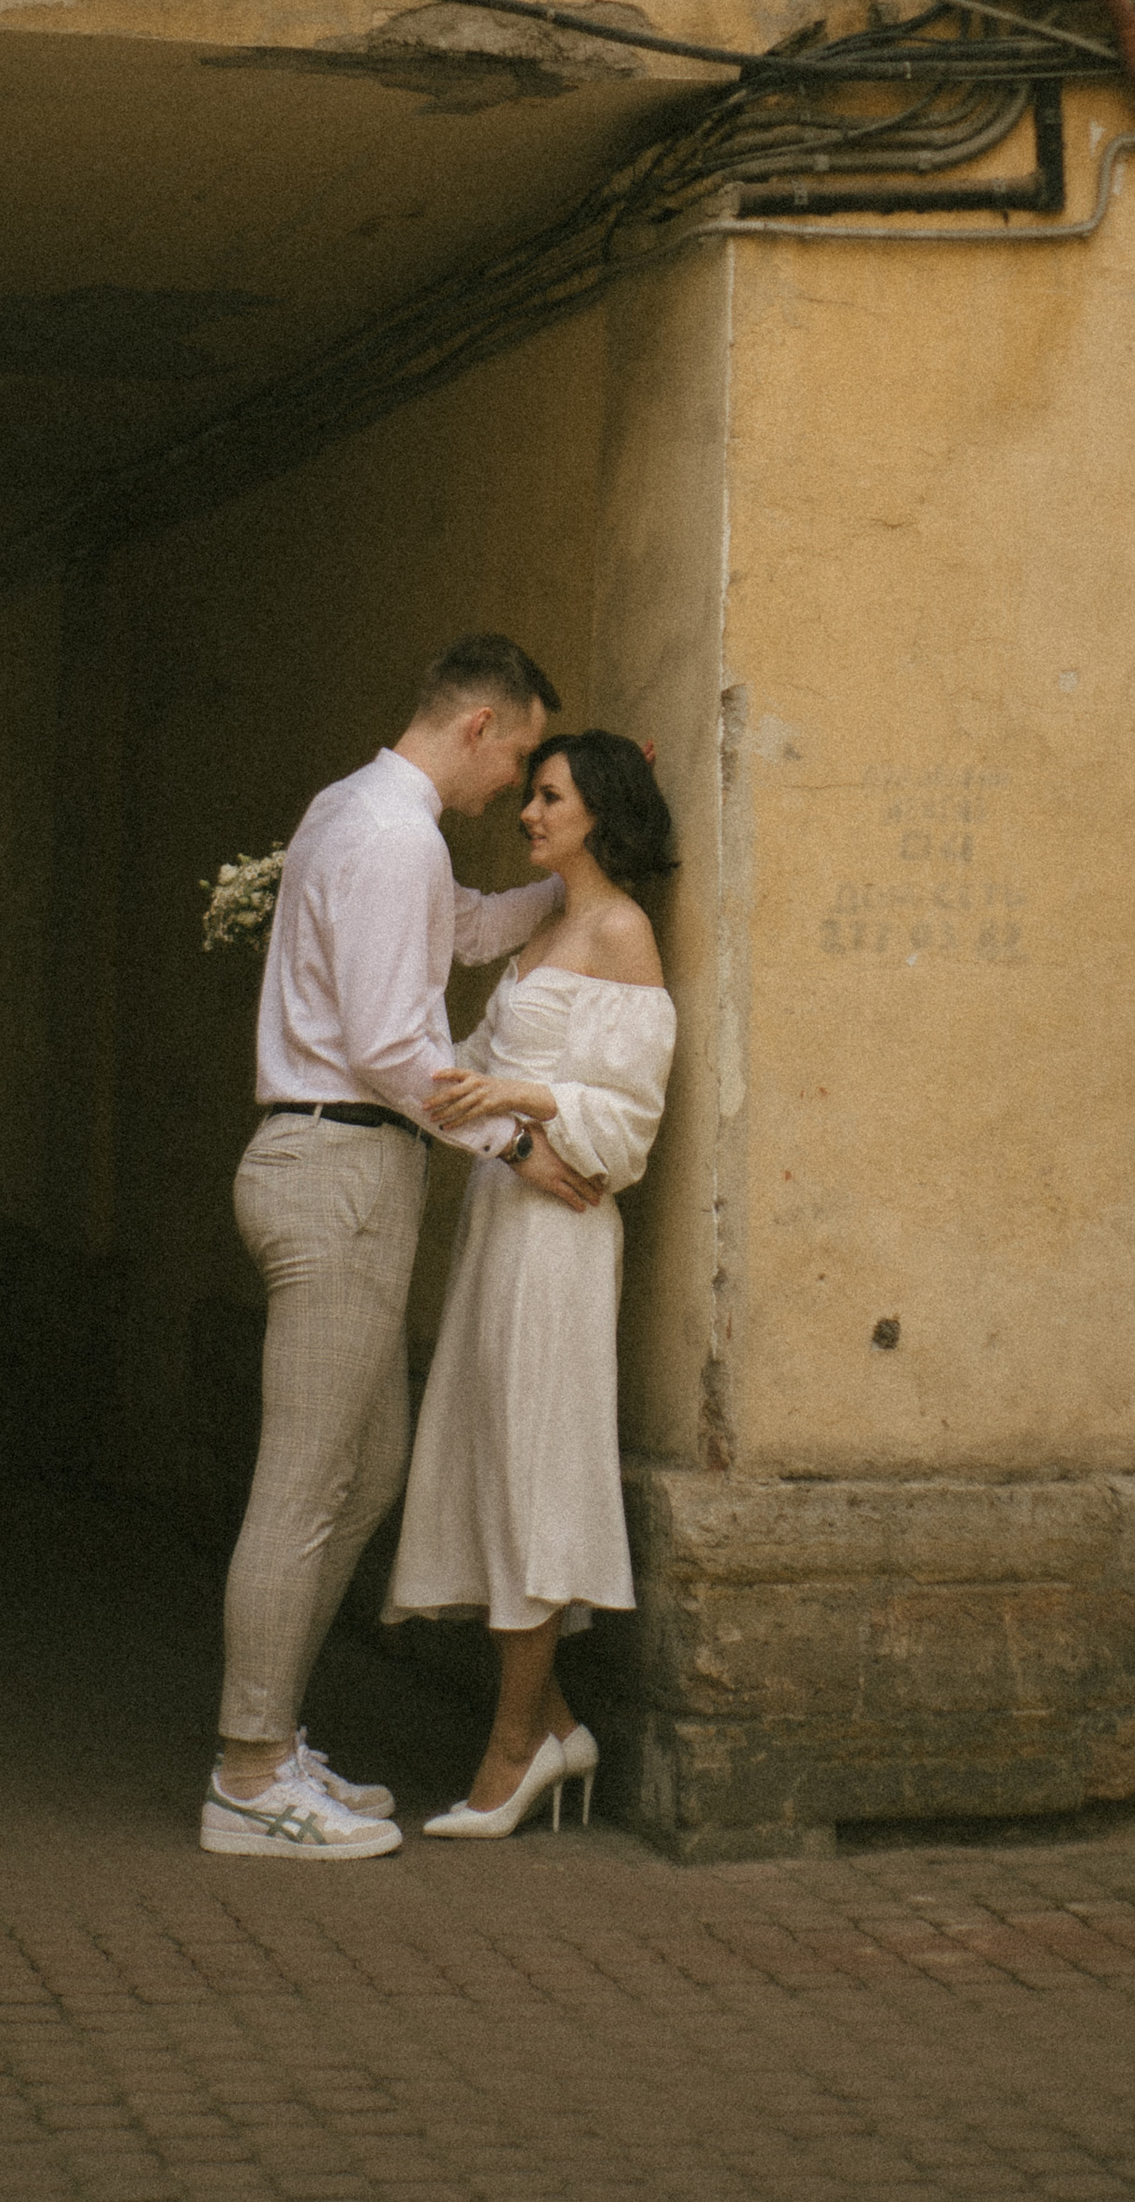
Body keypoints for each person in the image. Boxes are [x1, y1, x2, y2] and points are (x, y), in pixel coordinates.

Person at [203, 634, 604, 1864]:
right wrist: (514, 1144)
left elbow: (465, 931)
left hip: (334, 1166)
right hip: (339, 1172)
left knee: (365, 1471)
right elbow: (388, 1047)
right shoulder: (393, 836)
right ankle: (247, 1776)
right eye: (519, 754)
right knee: (304, 1484)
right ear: (479, 726)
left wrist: (579, 874)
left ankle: (273, 1741)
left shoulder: (357, 810)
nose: (516, 785)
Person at [385, 728, 678, 1836]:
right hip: (500, 1217)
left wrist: (516, 1095)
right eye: (532, 793)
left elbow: (633, 1115)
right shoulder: (548, 926)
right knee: (494, 1454)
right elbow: (466, 1071)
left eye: (551, 796)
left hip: (562, 1231)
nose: (529, 811)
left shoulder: (620, 929)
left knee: (536, 1462)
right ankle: (553, 1730)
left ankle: (512, 1753)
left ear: (599, 811)